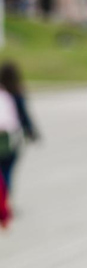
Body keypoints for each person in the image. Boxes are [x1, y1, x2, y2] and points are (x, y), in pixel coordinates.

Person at [0, 62, 39, 195]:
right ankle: (5, 204)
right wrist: (32, 133)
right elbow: (24, 116)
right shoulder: (16, 93)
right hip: (10, 138)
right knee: (7, 172)